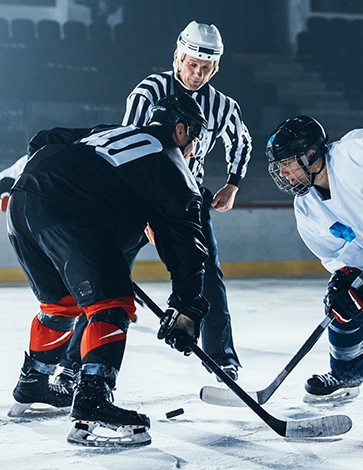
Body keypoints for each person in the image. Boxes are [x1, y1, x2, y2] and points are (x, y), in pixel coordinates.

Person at [6, 93, 210, 447]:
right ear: (181, 129)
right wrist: (187, 305)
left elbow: (43, 139)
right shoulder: (172, 164)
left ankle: (33, 383)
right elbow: (186, 246)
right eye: (194, 138)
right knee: (112, 305)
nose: (193, 148)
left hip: (24, 200)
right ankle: (93, 403)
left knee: (62, 304)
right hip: (72, 211)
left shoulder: (110, 131)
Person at [121, 20, 252, 380]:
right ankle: (73, 364)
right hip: (139, 197)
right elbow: (129, 147)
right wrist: (142, 210)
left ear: (216, 67)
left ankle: (222, 357)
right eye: (192, 64)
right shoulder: (148, 91)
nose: (197, 73)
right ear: (177, 57)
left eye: (206, 68)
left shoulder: (223, 105)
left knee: (208, 273)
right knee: (109, 270)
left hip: (188, 200)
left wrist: (233, 184)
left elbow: (241, 142)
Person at [265, 114, 363, 402]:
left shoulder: (354, 154)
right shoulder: (307, 208)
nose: (283, 174)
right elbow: (344, 254)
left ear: (310, 154)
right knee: (342, 300)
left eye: (286, 164)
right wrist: (350, 278)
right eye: (279, 167)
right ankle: (348, 374)